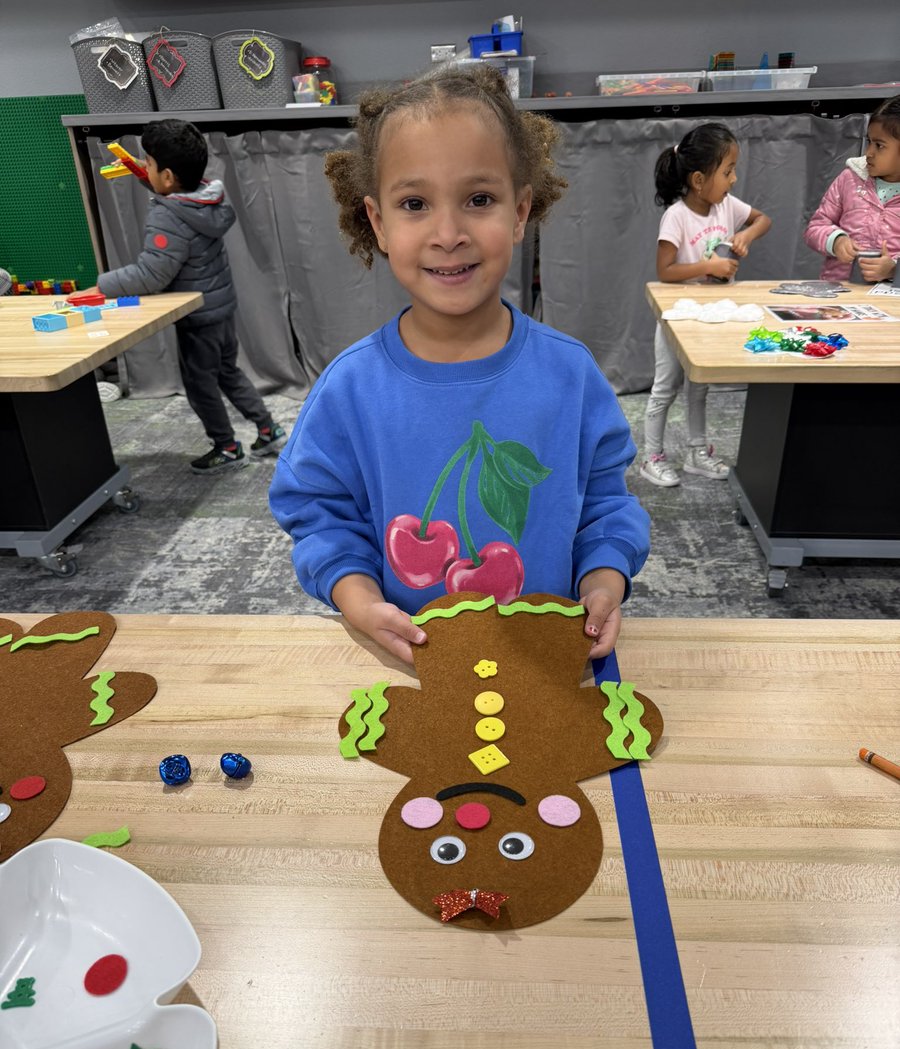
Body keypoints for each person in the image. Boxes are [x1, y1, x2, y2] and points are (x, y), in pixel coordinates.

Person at [270, 66, 650, 665]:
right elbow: (320, 516)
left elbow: (605, 504)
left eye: (479, 200)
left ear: (520, 211)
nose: (449, 233)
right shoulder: (350, 389)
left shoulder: (570, 378)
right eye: (415, 204)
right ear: (379, 224)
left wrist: (604, 579)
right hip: (410, 666)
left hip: (548, 663)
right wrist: (358, 599)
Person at [71, 119, 286, 474]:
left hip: (197, 316)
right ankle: (269, 430)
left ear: (168, 177)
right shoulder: (205, 195)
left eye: (150, 164)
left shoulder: (168, 216)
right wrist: (143, 175)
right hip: (220, 307)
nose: (147, 169)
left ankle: (226, 446)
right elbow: (175, 203)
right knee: (228, 372)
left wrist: (102, 286)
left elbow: (152, 273)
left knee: (200, 385)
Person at [641, 123, 771, 487]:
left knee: (699, 386)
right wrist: (709, 266)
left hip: (709, 317)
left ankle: (696, 451)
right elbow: (665, 271)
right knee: (665, 388)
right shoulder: (677, 217)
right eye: (727, 171)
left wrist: (744, 234)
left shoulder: (727, 206)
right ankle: (652, 456)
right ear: (699, 180)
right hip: (677, 316)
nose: (733, 179)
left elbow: (763, 219)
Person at [804, 96, 900, 286]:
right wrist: (836, 240)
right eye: (869, 141)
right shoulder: (849, 180)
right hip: (840, 293)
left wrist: (893, 269)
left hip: (891, 300)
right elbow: (815, 227)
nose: (869, 153)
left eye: (879, 145)